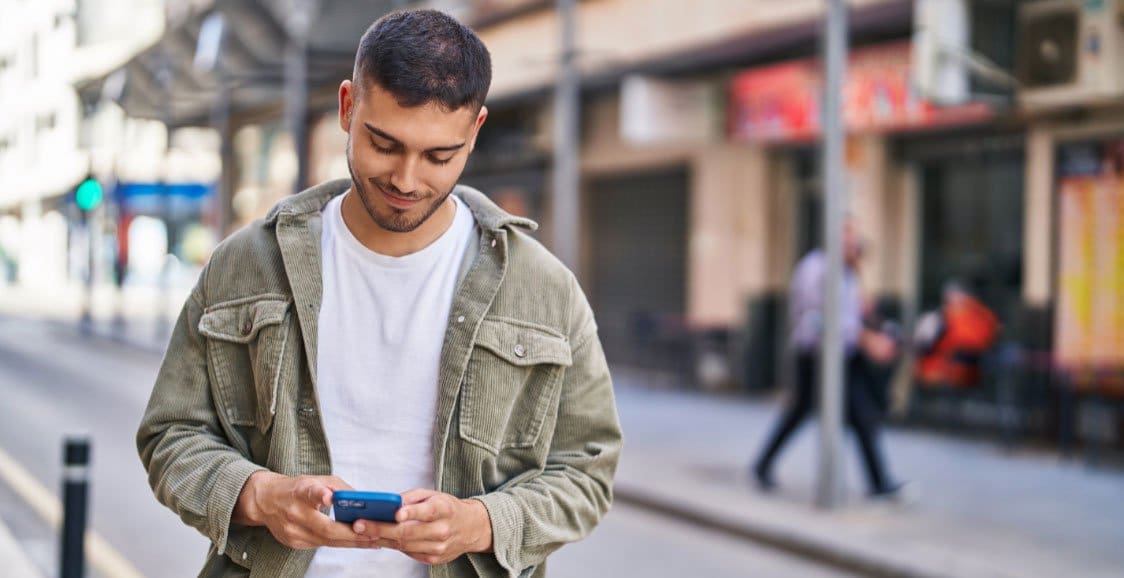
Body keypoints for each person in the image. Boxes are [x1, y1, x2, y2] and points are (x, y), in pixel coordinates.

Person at [136, 10, 622, 578]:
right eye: (384, 144)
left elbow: (587, 470)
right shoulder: (247, 265)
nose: (407, 180)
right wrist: (260, 496)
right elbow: (172, 435)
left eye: (440, 156)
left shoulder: (542, 287)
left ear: (475, 131)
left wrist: (482, 522)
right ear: (347, 107)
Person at [751, 221, 905, 498]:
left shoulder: (846, 273)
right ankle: (762, 465)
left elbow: (850, 313)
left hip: (844, 355)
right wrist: (865, 339)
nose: (855, 246)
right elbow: (818, 319)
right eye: (849, 240)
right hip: (817, 356)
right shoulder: (816, 269)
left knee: (862, 417)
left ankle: (879, 482)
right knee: (801, 412)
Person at [914, 280, 1000, 388]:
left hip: (967, 378)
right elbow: (922, 345)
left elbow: (988, 342)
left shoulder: (980, 319)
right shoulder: (936, 319)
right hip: (940, 376)